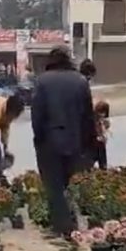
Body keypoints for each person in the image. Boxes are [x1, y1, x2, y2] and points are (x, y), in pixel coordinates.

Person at [32, 46, 97, 240]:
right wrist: (89, 145)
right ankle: (73, 222)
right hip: (75, 142)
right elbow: (88, 117)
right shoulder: (80, 81)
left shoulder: (43, 81)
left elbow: (38, 116)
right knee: (70, 184)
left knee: (54, 186)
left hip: (50, 143)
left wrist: (38, 139)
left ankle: (62, 227)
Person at [79, 58, 109, 170]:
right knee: (98, 149)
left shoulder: (78, 82)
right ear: (89, 74)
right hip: (82, 130)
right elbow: (85, 110)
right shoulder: (81, 84)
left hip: (77, 129)